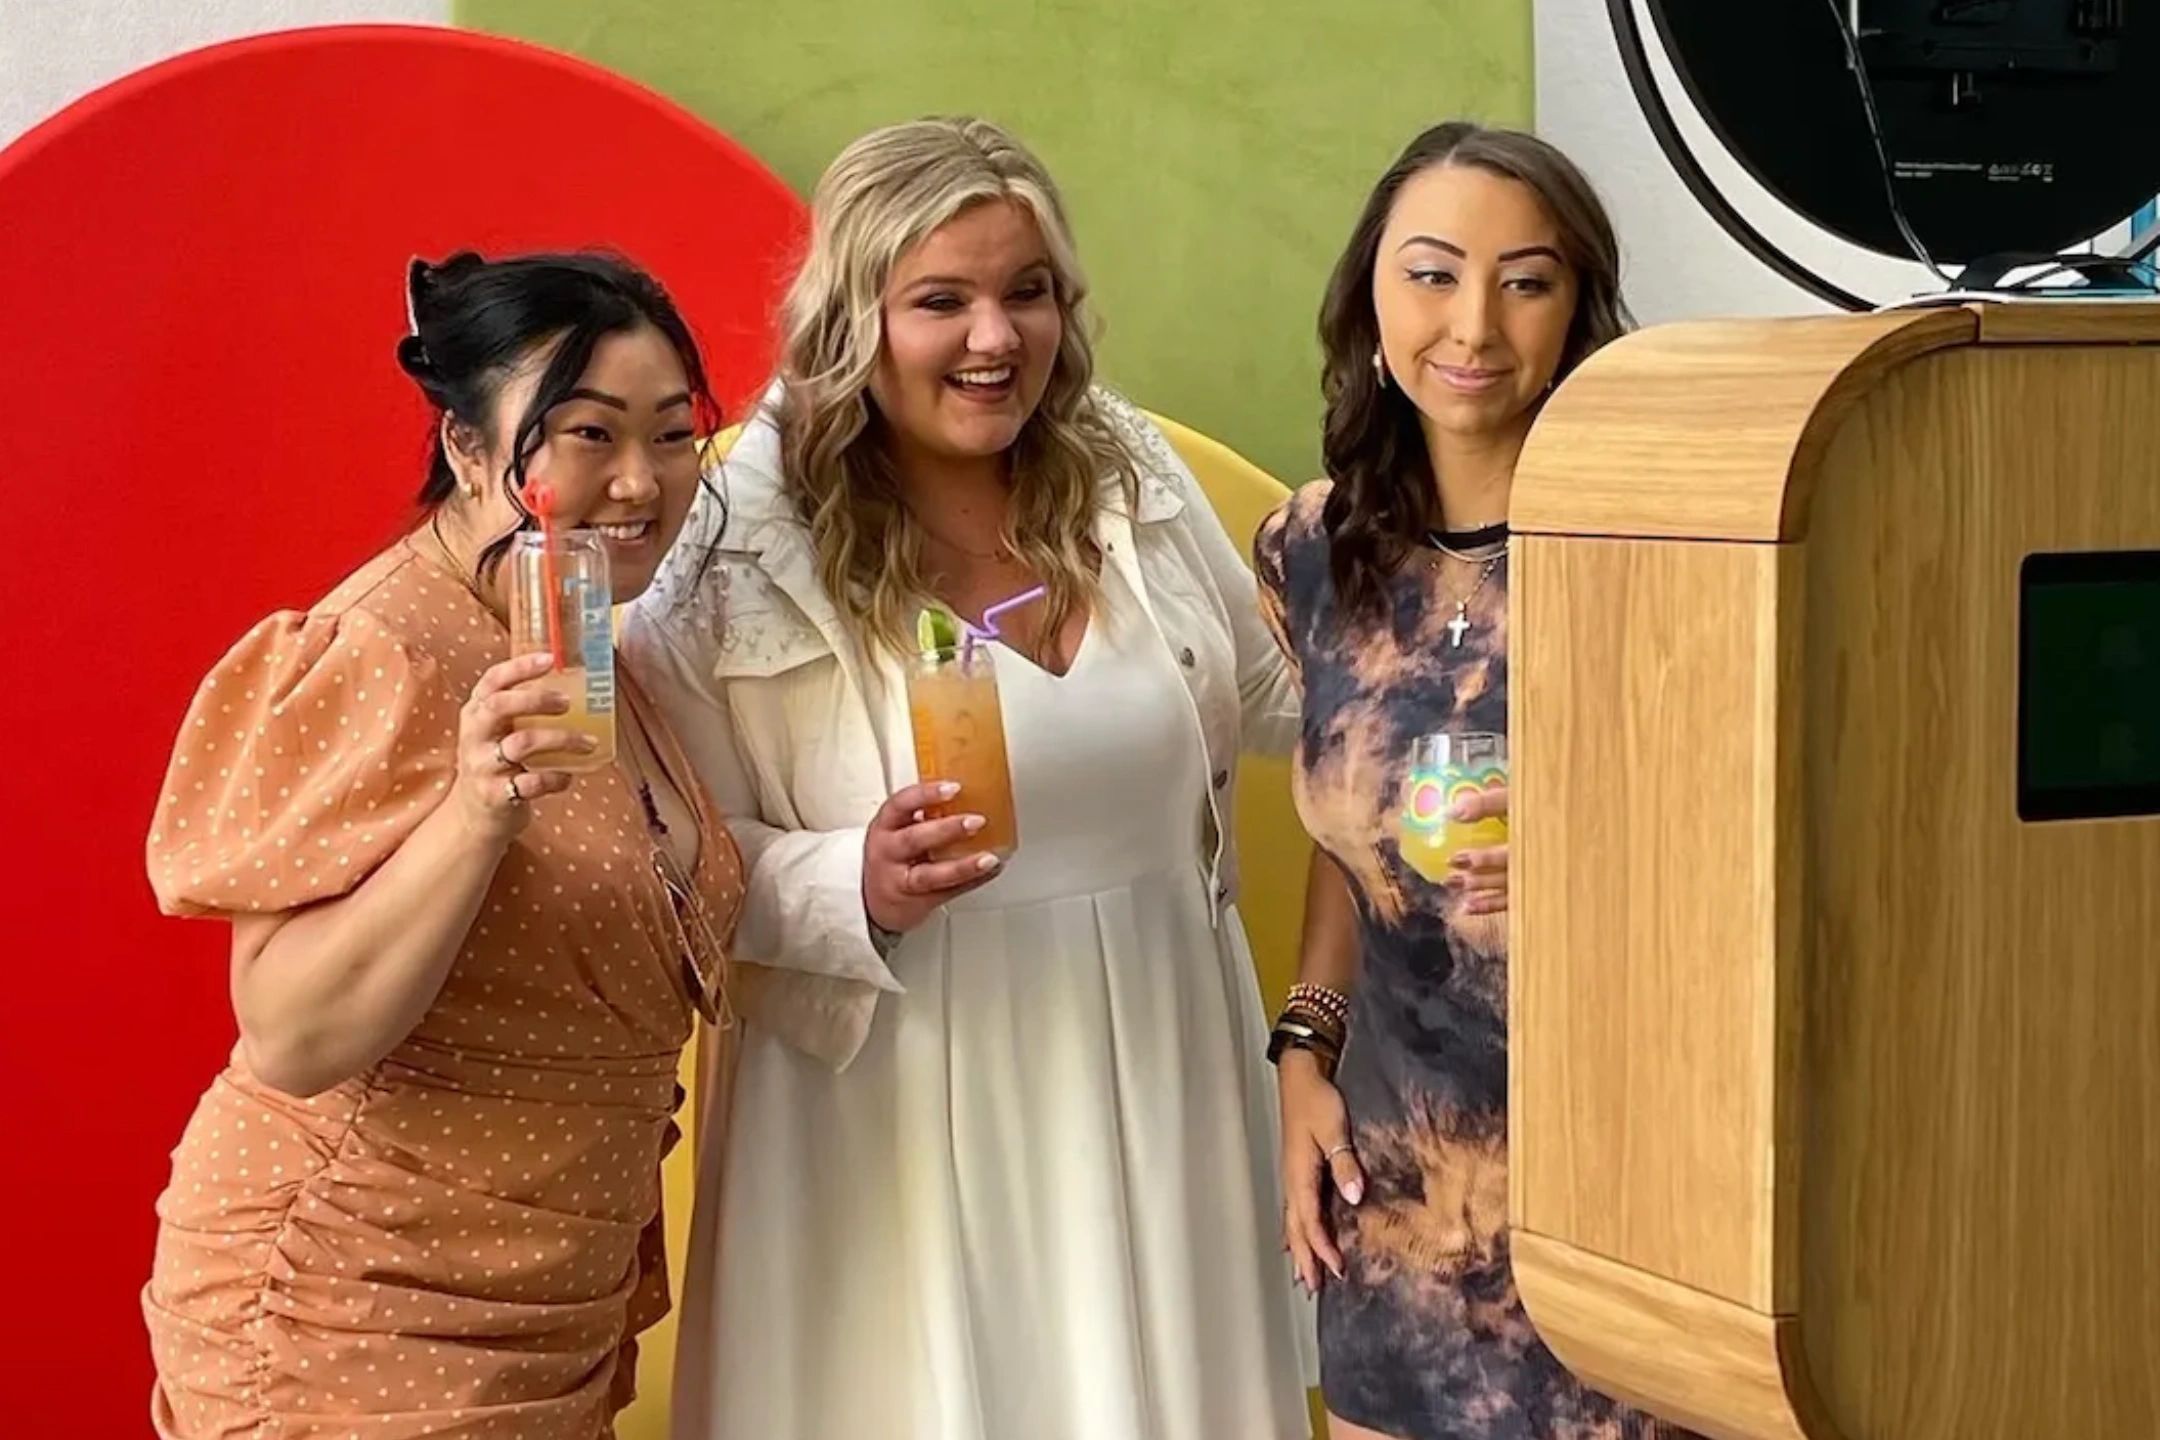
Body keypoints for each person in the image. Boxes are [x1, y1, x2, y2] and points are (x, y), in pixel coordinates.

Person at [624, 116, 1313, 1440]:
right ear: (855, 319)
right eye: (942, 300)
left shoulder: (1124, 466)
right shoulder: (735, 539)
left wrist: (1412, 574)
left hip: (1161, 1046)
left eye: (1028, 292)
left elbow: (1283, 696)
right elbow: (665, 854)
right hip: (891, 1093)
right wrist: (850, 881)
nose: (996, 338)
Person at [142, 251, 742, 1439]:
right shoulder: (382, 647)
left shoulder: (586, 639)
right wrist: (474, 813)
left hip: (548, 1304)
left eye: (673, 435)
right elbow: (292, 1035)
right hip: (355, 1294)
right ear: (467, 447)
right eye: (588, 433)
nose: (641, 480)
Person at [1255, 123, 1694, 1439]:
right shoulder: (1312, 549)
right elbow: (1348, 836)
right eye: (1434, 273)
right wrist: (1303, 1049)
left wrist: (1604, 857)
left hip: (1627, 1182)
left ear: (1578, 311)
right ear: (1371, 295)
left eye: (1527, 281)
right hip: (1399, 1193)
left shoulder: (1666, 543)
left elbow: (1780, 833)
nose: (1475, 325)